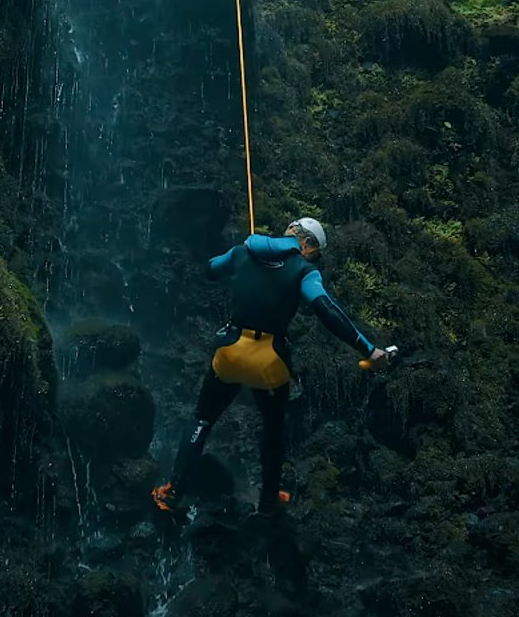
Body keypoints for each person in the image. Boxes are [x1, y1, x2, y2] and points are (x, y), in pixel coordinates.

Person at [151, 217, 392, 518]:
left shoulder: (242, 252)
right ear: (308, 242)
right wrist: (368, 348)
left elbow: (210, 270)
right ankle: (268, 500)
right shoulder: (305, 271)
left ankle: (173, 492)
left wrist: (241, 268)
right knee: (274, 430)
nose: (314, 257)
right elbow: (326, 309)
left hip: (230, 352)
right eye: (315, 251)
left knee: (202, 419)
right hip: (269, 360)